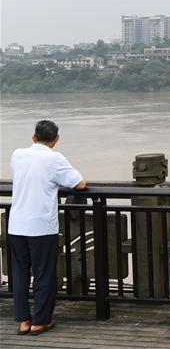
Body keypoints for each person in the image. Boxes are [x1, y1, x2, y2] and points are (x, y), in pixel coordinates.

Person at [8, 120, 86, 335]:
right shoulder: (54, 158)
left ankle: (23, 321)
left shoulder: (17, 154)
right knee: (44, 275)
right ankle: (40, 321)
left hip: (16, 224)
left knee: (20, 273)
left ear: (33, 137)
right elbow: (79, 184)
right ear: (56, 139)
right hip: (41, 226)